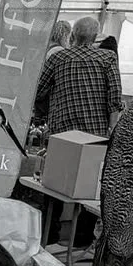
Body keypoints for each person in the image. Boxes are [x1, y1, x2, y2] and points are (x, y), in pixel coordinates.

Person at [33, 16, 123, 246]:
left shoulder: (59, 58)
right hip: (95, 136)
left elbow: (39, 90)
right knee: (91, 187)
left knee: (54, 185)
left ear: (73, 35)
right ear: (95, 37)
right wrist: (111, 130)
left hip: (62, 133)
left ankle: (49, 236)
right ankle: (81, 239)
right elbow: (114, 97)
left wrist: (49, 106)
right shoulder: (108, 57)